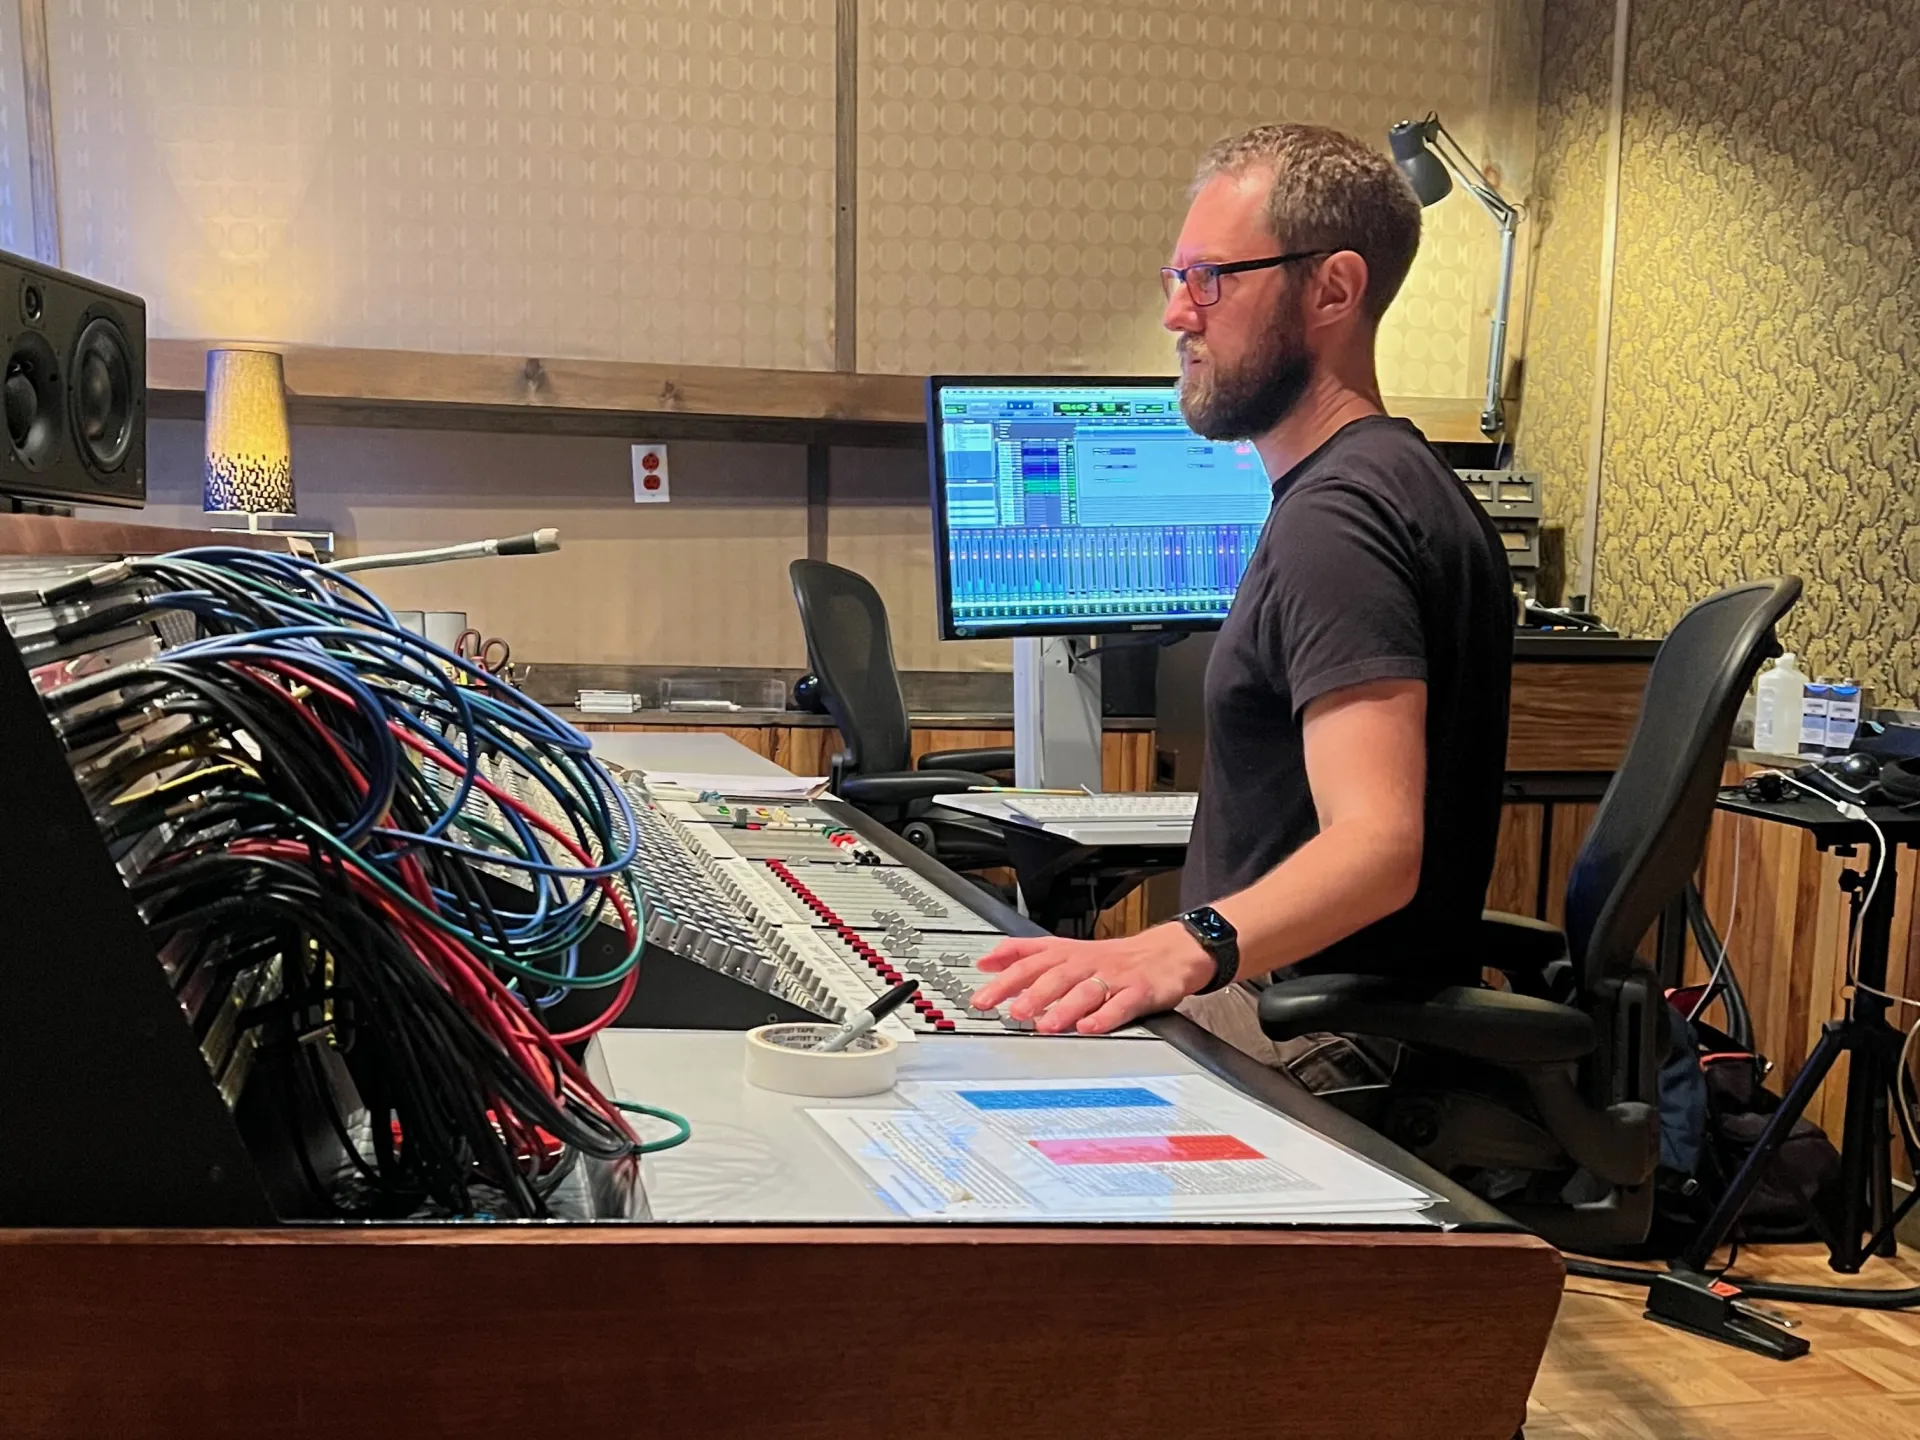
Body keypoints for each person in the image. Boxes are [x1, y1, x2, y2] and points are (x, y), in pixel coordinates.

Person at [970, 124, 1514, 1090]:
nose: (1179, 316)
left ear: (1334, 290)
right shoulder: (1395, 484)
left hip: (1319, 1036)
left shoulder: (1339, 521)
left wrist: (1184, 946)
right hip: (1299, 1010)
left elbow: (1379, 846)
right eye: (1175, 279)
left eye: (1212, 278)